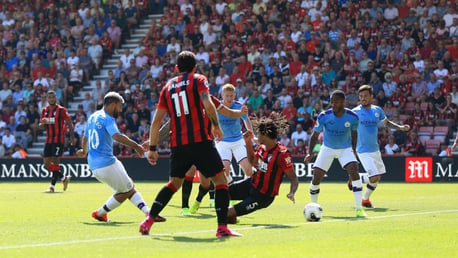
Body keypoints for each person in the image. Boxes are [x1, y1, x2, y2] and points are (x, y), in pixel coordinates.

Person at [139, 51, 241, 237]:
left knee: (173, 184)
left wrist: (152, 148)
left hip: (178, 145)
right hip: (201, 142)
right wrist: (216, 126)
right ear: (195, 67)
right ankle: (222, 227)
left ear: (177, 68)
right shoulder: (199, 79)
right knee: (220, 182)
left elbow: (156, 122)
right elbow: (208, 104)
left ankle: (149, 220)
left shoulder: (167, 87)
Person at [76, 92, 163, 223]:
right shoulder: (107, 118)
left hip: (95, 164)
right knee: (126, 190)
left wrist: (84, 151)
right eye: (120, 106)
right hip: (106, 164)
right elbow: (116, 136)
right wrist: (136, 146)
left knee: (128, 186)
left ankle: (148, 212)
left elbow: (85, 137)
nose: (121, 110)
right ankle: (100, 213)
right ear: (112, 104)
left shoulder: (93, 117)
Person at [186, 83, 253, 214]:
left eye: (231, 95)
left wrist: (251, 133)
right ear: (222, 95)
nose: (229, 98)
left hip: (238, 141)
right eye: (227, 95)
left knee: (249, 170)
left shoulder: (239, 106)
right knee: (224, 170)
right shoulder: (216, 108)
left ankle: (246, 193)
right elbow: (210, 123)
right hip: (222, 142)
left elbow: (246, 119)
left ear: (235, 95)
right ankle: (231, 194)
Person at [226, 112, 298, 223]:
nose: (256, 135)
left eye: (258, 133)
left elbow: (293, 178)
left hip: (262, 196)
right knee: (222, 193)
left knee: (226, 214)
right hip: (251, 185)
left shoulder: (282, 154)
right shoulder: (262, 148)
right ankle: (233, 215)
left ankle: (232, 214)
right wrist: (248, 143)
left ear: (265, 134)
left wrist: (292, 192)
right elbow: (253, 162)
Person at [304, 90, 366, 218]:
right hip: (327, 148)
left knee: (354, 172)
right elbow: (314, 135)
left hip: (345, 148)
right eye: (332, 101)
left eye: (336, 101)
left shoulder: (353, 117)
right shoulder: (323, 116)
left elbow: (354, 134)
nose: (333, 104)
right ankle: (313, 206)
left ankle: (359, 209)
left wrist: (353, 150)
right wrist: (309, 153)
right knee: (316, 177)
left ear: (343, 102)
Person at [351, 85, 410, 208]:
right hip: (362, 149)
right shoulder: (355, 112)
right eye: (361, 96)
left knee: (378, 177)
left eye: (365, 96)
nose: (363, 98)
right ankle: (355, 178)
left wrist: (399, 128)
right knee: (374, 176)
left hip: (375, 149)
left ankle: (365, 199)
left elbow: (386, 123)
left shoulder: (377, 110)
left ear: (371, 96)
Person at [39, 91, 73, 193]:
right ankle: (63, 178)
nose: (52, 99)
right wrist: (42, 124)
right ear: (47, 99)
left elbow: (69, 122)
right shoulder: (44, 110)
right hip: (48, 140)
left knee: (55, 162)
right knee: (46, 164)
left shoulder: (61, 110)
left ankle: (52, 187)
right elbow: (41, 125)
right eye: (49, 97)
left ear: (56, 98)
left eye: (53, 97)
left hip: (58, 140)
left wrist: (72, 137)